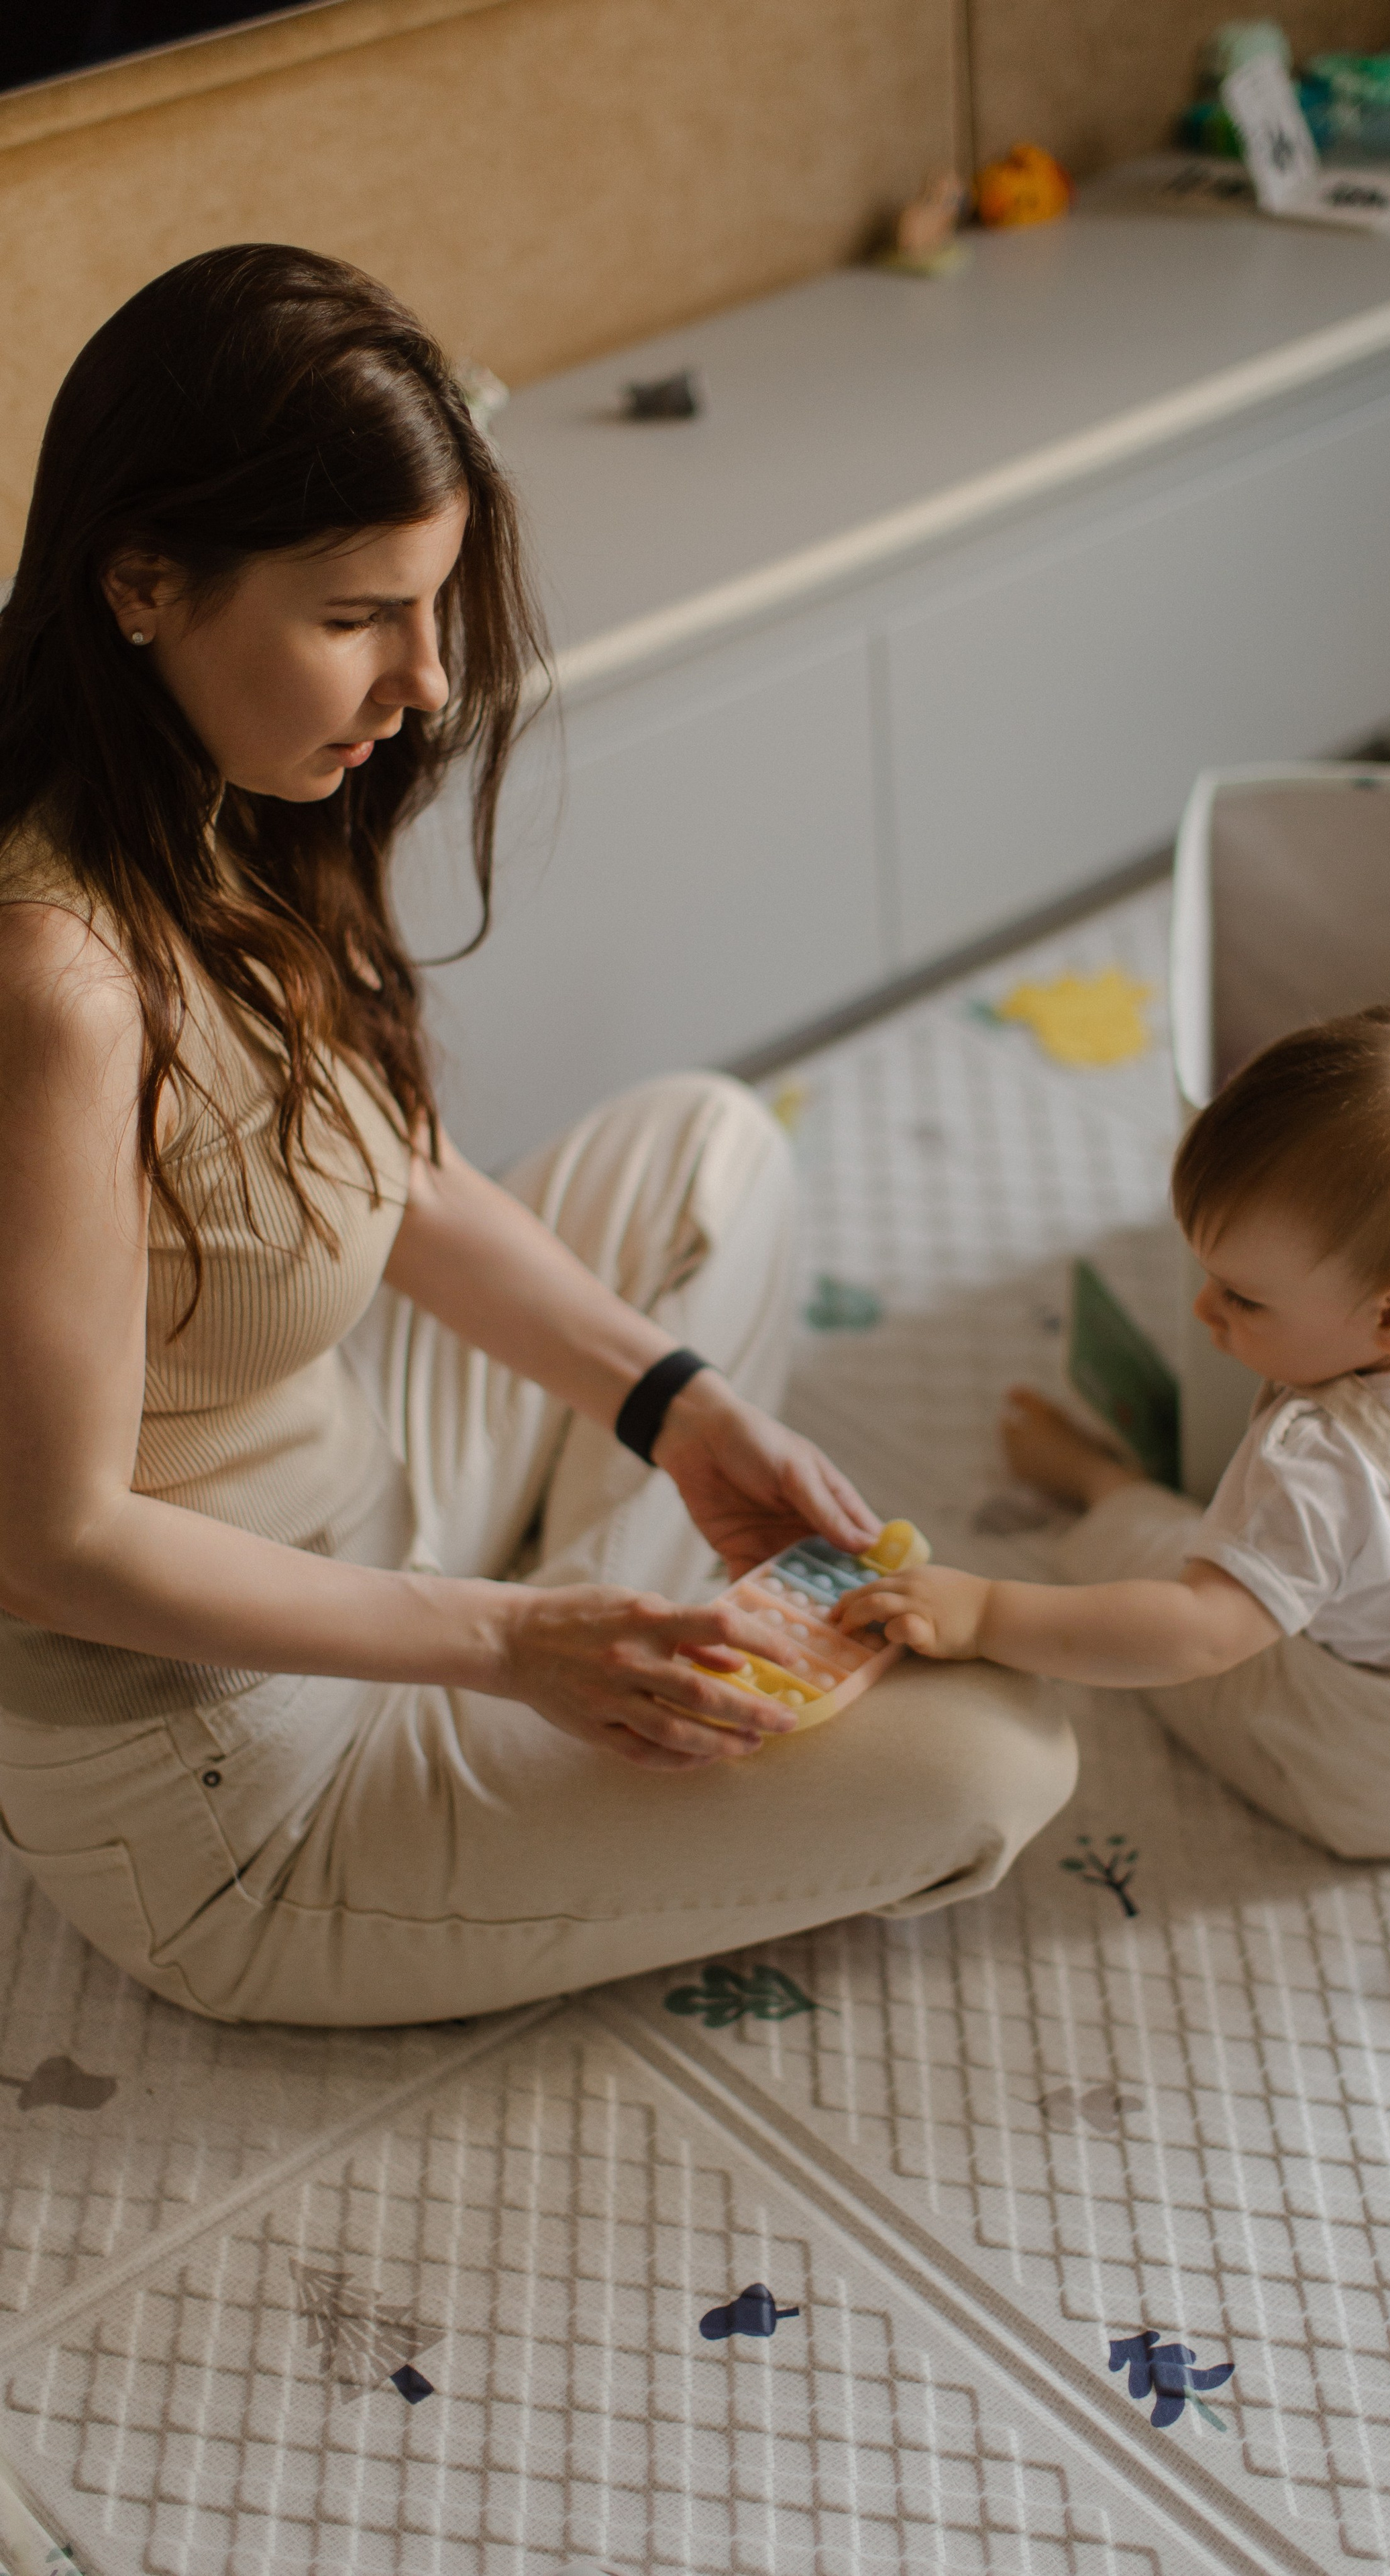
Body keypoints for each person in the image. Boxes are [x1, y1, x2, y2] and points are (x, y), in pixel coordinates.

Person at [0, 245, 1075, 2026]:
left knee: (707, 1152)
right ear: (142, 581)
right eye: (358, 618)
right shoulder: (56, 987)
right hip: (228, 1768)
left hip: (367, 1506)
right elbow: (47, 1545)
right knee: (999, 1758)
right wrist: (506, 1642)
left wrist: (677, 1411)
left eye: (433, 608)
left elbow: (373, 1164)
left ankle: (581, 1660)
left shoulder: (230, 785)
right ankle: (552, 1673)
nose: (427, 682)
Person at [839, 1008, 1390, 1860]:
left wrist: (987, 1612)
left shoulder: (1316, 1461)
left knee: (1172, 1569)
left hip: (1377, 1793)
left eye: (1243, 1297)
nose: (1204, 1309)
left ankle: (1098, 1486)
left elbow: (1197, 1635)